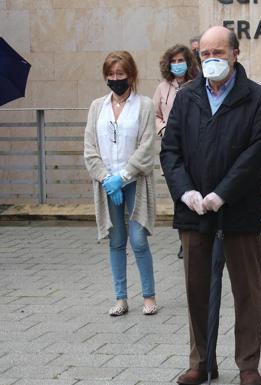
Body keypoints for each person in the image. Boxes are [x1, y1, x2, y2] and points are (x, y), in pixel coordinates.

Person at [160, 26, 261, 385]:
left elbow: (255, 153)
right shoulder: (187, 96)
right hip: (193, 213)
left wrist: (222, 193)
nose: (210, 60)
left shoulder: (257, 98)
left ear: (235, 54)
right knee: (196, 290)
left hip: (238, 212)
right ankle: (201, 361)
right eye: (204, 54)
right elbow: (170, 151)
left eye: (218, 53)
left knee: (246, 292)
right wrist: (186, 192)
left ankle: (248, 364)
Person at [84, 51, 158, 316]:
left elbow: (147, 146)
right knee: (116, 240)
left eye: (120, 74)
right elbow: (90, 148)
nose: (116, 79)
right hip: (107, 185)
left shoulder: (145, 105)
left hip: (134, 181)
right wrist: (106, 179)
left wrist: (123, 177)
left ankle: (148, 296)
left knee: (138, 240)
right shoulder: (97, 107)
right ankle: (121, 298)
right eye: (111, 74)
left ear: (131, 75)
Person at [153, 44, 200, 259]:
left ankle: (194, 235)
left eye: (181, 60)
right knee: (178, 191)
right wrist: (163, 129)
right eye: (174, 61)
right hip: (171, 145)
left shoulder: (197, 84)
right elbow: (155, 115)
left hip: (193, 146)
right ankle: (184, 239)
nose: (178, 64)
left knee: (193, 186)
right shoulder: (163, 88)